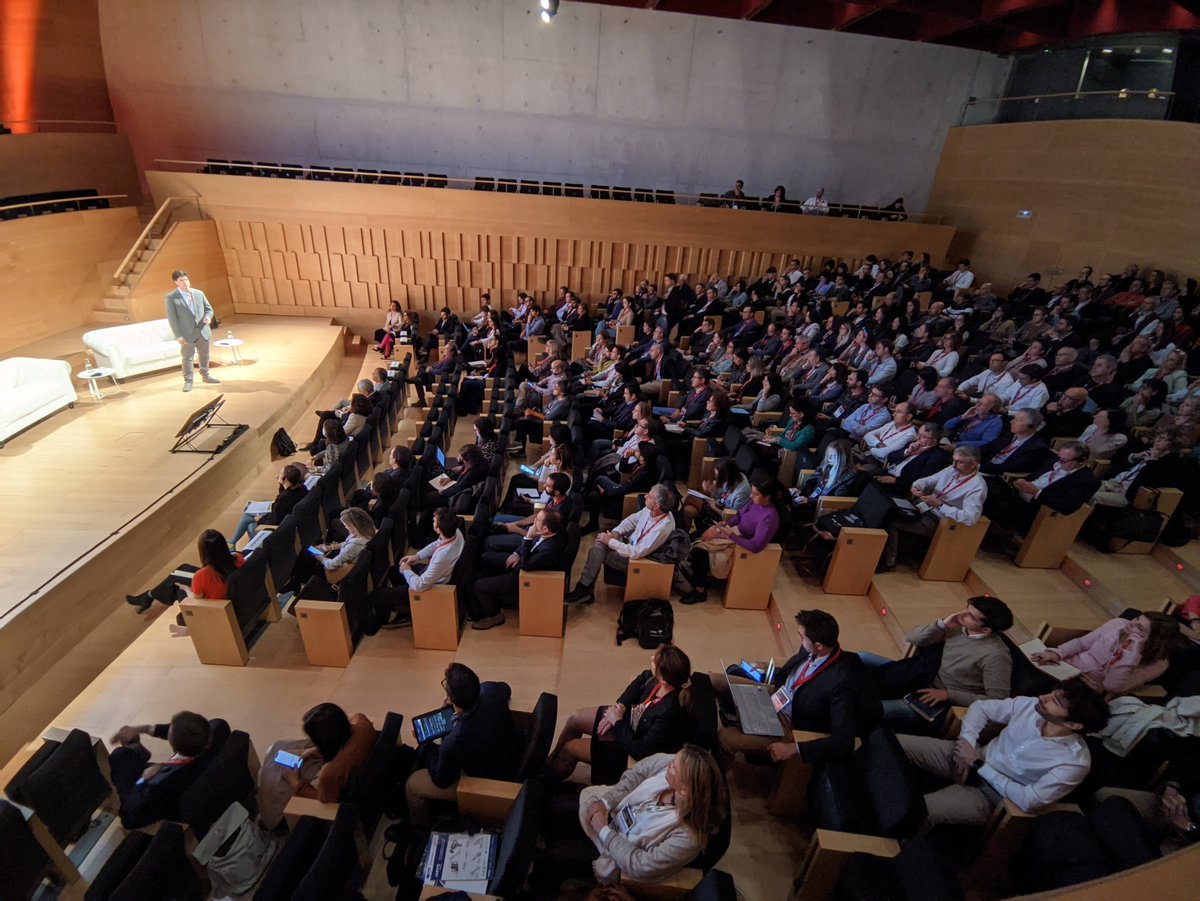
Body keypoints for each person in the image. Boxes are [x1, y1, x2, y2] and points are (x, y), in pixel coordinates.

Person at [898, 681, 1109, 824]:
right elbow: (981, 707)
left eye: (1055, 701)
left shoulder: (1075, 762)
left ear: (1074, 724)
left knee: (915, 811)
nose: (1042, 697)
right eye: (1052, 694)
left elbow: (1030, 801)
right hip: (970, 755)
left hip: (990, 794)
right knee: (893, 743)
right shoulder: (1030, 705)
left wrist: (980, 766)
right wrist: (967, 742)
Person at [712, 609, 881, 768]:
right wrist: (763, 668)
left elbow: (843, 743)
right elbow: (792, 674)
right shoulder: (812, 648)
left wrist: (794, 748)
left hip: (787, 724)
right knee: (713, 680)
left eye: (801, 637)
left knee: (725, 739)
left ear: (819, 646)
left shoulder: (841, 685)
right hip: (776, 695)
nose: (798, 639)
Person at [862, 597, 1014, 734]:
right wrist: (943, 625)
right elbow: (913, 638)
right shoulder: (958, 627)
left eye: (970, 616)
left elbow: (998, 700)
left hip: (940, 701)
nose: (961, 615)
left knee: (873, 708)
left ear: (986, 630)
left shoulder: (996, 655)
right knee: (862, 658)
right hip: (922, 674)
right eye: (966, 609)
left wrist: (949, 694)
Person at [576, 747, 727, 884]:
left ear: (684, 790)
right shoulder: (675, 766)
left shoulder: (688, 838)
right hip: (611, 818)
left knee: (559, 855)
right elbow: (637, 773)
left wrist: (603, 831)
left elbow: (640, 865)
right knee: (559, 810)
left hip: (619, 855)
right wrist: (605, 802)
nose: (669, 763)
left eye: (674, 766)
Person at [548, 645, 696, 782]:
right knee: (575, 718)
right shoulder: (658, 680)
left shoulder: (670, 714)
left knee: (570, 748)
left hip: (627, 745)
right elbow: (640, 680)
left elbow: (640, 750)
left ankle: (546, 781)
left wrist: (616, 721)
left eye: (654, 662)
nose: (651, 659)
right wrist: (620, 706)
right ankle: (550, 760)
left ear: (663, 679)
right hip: (626, 720)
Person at [405, 663, 521, 824]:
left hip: (487, 782)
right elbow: (506, 689)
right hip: (512, 754)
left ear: (452, 699)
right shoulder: (490, 690)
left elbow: (442, 779)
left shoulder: (455, 740)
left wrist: (428, 744)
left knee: (413, 784)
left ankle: (423, 829)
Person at [257, 703, 376, 829]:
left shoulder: (330, 775)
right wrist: (315, 749)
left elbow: (324, 802)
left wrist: (295, 782)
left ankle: (270, 823)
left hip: (334, 799)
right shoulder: (363, 725)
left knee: (274, 769)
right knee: (282, 748)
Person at [567, 484, 679, 606]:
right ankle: (585, 589)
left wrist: (610, 542)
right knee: (600, 543)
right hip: (629, 544)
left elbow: (637, 553)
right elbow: (631, 520)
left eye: (649, 496)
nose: (645, 496)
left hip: (638, 560)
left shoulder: (663, 528)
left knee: (598, 550)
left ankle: (584, 588)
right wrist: (615, 533)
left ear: (656, 506)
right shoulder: (650, 509)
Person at [679, 477, 785, 605]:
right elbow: (739, 516)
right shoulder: (754, 502)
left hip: (742, 546)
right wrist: (726, 524)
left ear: (768, 497)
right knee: (697, 536)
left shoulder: (769, 517)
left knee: (700, 551)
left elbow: (756, 546)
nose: (751, 496)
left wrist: (732, 535)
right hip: (734, 534)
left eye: (756, 494)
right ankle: (697, 575)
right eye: (752, 492)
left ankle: (700, 591)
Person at [108, 711, 218, 828]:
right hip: (196, 785)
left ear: (172, 743)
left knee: (119, 756)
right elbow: (181, 733)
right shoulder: (217, 731)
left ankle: (135, 751)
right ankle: (135, 750)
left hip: (153, 800)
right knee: (126, 755)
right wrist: (142, 729)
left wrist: (142, 779)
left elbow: (128, 819)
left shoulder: (159, 782)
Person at [1029, 613, 1183, 695]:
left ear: (1154, 641)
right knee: (1030, 670)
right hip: (1066, 668)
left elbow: (1112, 686)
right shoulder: (1118, 625)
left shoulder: (1158, 664)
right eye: (1137, 619)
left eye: (1140, 629)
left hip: (1086, 689)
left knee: (1037, 687)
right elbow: (1082, 643)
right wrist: (1056, 653)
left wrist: (1132, 653)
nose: (1132, 624)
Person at [467, 509, 569, 630]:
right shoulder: (551, 530)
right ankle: (480, 605)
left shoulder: (549, 550)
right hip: (523, 560)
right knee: (486, 557)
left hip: (523, 576)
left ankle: (494, 615)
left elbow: (525, 566)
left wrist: (528, 537)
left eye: (537, 520)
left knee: (479, 585)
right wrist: (516, 553)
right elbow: (528, 547)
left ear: (545, 529)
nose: (534, 521)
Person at [886, 446, 987, 568]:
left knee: (893, 521)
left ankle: (888, 562)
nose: (954, 465)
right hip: (924, 507)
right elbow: (927, 481)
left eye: (960, 462)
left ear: (973, 464)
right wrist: (917, 486)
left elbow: (970, 518)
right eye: (953, 460)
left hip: (939, 520)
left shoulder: (977, 486)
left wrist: (940, 505)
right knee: (888, 507)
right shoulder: (952, 469)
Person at [368, 508, 465, 631]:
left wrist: (407, 570)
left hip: (433, 587)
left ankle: (403, 610)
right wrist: (417, 556)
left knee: (381, 596)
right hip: (434, 573)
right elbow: (437, 543)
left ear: (438, 529)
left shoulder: (443, 557)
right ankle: (407, 607)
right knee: (394, 570)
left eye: (434, 521)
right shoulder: (455, 532)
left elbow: (420, 585)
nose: (432, 521)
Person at [983, 441, 1100, 535]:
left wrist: (1037, 492)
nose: (1059, 462)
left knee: (990, 501)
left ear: (1081, 461)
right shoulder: (1055, 461)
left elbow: (1066, 506)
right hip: (1017, 494)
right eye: (1059, 457)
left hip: (1032, 510)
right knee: (984, 487)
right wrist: (1022, 482)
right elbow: (1033, 477)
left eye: (1064, 460)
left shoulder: (1086, 480)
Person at [125, 529, 244, 614]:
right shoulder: (238, 557)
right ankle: (148, 596)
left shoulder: (202, 575)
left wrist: (187, 589)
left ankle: (148, 597)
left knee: (177, 587)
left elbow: (196, 601)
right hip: (229, 592)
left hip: (214, 608)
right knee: (183, 569)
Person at [284, 507, 375, 599]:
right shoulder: (366, 531)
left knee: (306, 555)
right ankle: (295, 581)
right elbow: (347, 542)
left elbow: (331, 565)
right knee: (307, 551)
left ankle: (296, 582)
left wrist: (318, 556)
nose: (345, 528)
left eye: (346, 525)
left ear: (353, 526)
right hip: (344, 560)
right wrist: (330, 547)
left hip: (336, 572)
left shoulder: (354, 546)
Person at [228, 463, 308, 549]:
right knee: (249, 521)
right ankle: (236, 543)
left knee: (247, 518)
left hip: (279, 528)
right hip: (289, 521)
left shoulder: (284, 499)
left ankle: (234, 544)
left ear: (285, 479)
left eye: (280, 474)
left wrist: (260, 519)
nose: (277, 476)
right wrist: (282, 486)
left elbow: (274, 520)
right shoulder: (302, 488)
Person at [164, 270, 219, 393]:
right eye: (181, 280)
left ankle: (205, 375)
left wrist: (208, 317)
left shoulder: (199, 293)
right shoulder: (171, 297)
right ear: (176, 282)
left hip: (203, 331)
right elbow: (172, 319)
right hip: (186, 334)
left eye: (186, 280)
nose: (185, 282)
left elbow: (209, 309)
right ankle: (188, 381)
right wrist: (178, 335)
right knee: (187, 357)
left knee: (204, 355)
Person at [680, 456, 750, 534]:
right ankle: (683, 535)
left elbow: (732, 517)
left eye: (718, 477)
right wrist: (712, 490)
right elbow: (722, 495)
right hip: (719, 504)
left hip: (722, 516)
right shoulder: (734, 477)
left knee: (691, 498)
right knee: (687, 510)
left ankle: (678, 526)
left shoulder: (741, 493)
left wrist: (714, 507)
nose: (717, 479)